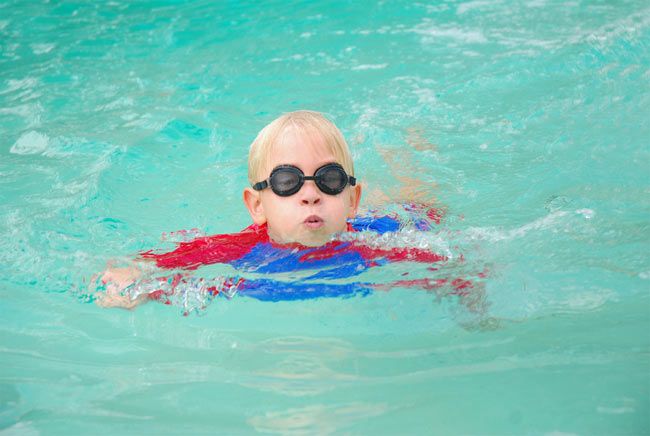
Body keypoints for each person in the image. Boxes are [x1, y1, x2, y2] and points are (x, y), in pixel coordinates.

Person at [94, 111, 458, 311]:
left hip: (379, 220)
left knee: (422, 203)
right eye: (288, 182)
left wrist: (464, 292)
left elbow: (448, 266)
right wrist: (131, 282)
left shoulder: (379, 238)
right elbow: (147, 265)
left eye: (329, 179)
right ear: (257, 205)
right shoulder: (239, 249)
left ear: (352, 200)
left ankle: (409, 157)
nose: (311, 195)